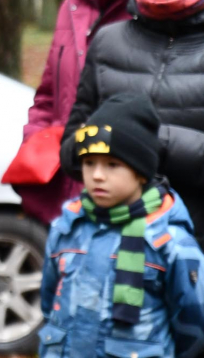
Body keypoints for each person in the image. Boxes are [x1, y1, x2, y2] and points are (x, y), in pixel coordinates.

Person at [19, 0, 163, 223]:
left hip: (133, 201)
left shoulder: (156, 10)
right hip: (70, 194)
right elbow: (49, 95)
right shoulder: (74, 3)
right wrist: (35, 145)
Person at [62, 0, 204, 242]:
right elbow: (70, 152)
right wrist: (97, 145)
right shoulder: (109, 41)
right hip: (112, 246)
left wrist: (150, 141)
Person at [41, 92, 204, 358]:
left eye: (112, 165)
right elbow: (50, 304)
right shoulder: (67, 228)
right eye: (89, 162)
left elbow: (194, 324)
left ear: (141, 172)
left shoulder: (169, 242)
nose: (97, 175)